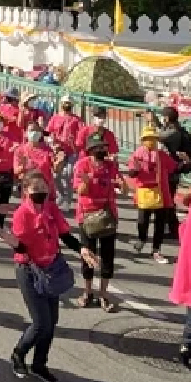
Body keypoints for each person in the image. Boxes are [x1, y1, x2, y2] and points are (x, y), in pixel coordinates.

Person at [9, 171, 95, 382]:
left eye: (44, 189)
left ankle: (39, 364)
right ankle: (19, 354)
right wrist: (11, 242)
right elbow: (22, 247)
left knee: (51, 321)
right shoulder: (22, 214)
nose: (41, 193)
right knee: (41, 322)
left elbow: (64, 234)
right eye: (36, 190)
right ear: (26, 191)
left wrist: (82, 249)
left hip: (51, 268)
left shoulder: (51, 208)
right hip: (30, 270)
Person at [72, 131, 121, 311]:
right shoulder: (82, 165)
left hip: (107, 215)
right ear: (90, 149)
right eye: (98, 147)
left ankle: (103, 294)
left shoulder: (110, 166)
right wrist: (86, 182)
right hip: (87, 216)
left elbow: (121, 187)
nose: (102, 150)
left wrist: (121, 184)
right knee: (88, 255)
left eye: (103, 147)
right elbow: (80, 191)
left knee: (108, 256)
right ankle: (87, 291)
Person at [125, 126, 175, 264]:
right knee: (143, 221)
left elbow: (173, 167)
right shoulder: (137, 155)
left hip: (161, 192)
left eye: (153, 138)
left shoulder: (162, 155)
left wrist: (185, 162)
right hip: (144, 192)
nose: (151, 141)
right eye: (148, 138)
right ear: (143, 140)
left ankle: (156, 249)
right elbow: (131, 172)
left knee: (160, 223)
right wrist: (135, 169)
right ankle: (142, 239)